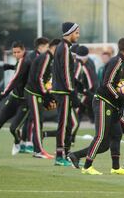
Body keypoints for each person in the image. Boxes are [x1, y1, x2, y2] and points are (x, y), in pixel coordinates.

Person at [67, 38, 124, 175]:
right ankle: (87, 166)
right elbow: (107, 83)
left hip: (112, 105)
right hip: (103, 101)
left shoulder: (122, 63)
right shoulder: (117, 61)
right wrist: (118, 95)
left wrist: (120, 101)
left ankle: (115, 167)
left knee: (115, 135)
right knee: (100, 136)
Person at [24, 38, 61, 159]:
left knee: (38, 121)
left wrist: (49, 94)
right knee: (38, 121)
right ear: (53, 48)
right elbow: (39, 78)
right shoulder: (46, 57)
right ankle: (38, 150)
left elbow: (45, 79)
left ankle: (37, 149)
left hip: (37, 93)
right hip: (33, 93)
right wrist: (47, 96)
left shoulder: (49, 58)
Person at [51, 22, 80, 166]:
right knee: (63, 124)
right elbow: (65, 73)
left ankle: (67, 154)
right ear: (70, 33)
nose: (78, 35)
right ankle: (59, 156)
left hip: (62, 90)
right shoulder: (64, 48)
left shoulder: (62, 47)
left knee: (69, 124)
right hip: (63, 92)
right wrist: (72, 91)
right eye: (77, 32)